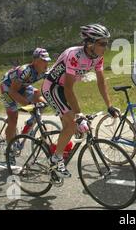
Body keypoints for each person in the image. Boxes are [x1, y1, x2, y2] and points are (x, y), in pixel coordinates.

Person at [42, 24, 119, 178]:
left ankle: (60, 147)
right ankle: (56, 160)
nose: (106, 47)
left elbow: (101, 82)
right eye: (102, 43)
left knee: (72, 125)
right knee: (72, 124)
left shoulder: (98, 57)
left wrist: (109, 105)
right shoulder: (74, 55)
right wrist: (78, 114)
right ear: (90, 43)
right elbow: (68, 89)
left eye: (107, 43)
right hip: (53, 87)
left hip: (64, 89)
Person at [0, 48, 51, 153]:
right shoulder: (25, 71)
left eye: (47, 60)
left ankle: (30, 122)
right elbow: (12, 92)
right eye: (44, 60)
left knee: (41, 101)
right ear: (36, 61)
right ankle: (9, 149)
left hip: (22, 86)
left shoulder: (44, 71)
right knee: (13, 119)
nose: (46, 63)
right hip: (7, 88)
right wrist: (29, 105)